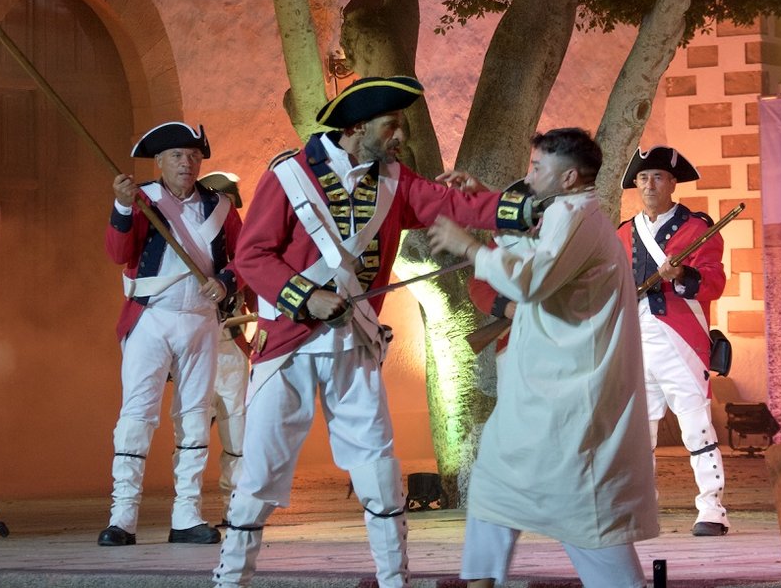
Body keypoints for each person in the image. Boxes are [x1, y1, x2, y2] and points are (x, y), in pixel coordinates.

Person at [213, 76, 524, 588]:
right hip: (287, 343)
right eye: (392, 125)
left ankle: (394, 579)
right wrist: (306, 297)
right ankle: (230, 580)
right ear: (358, 127)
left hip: (353, 341)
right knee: (260, 472)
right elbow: (251, 255)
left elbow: (454, 207)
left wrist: (527, 207)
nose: (400, 135)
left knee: (379, 468)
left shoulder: (394, 180)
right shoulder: (289, 176)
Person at [427, 127, 659, 588]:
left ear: (569, 177)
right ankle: (481, 581)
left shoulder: (577, 216)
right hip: (542, 394)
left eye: (538, 168)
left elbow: (532, 280)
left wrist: (468, 246)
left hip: (573, 397)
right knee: (493, 486)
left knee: (586, 511)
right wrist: (486, 204)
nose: (529, 175)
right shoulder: (566, 211)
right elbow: (532, 249)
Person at [100, 122, 243, 547]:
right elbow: (117, 254)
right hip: (152, 318)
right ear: (159, 162)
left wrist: (227, 282)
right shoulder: (142, 200)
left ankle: (187, 515)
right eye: (178, 156)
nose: (187, 162)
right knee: (137, 415)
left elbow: (248, 255)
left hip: (201, 319)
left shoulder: (220, 207)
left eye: (193, 155)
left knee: (195, 416)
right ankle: (122, 517)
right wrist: (123, 208)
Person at [616, 146, 729, 536]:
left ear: (672, 183)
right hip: (635, 339)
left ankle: (711, 507)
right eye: (644, 178)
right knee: (638, 431)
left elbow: (713, 283)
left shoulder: (697, 229)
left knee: (695, 425)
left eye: (658, 177)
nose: (649, 184)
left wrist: (680, 272)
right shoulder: (623, 233)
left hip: (679, 339)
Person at [198, 171, 254, 506]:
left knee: (237, 429)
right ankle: (187, 510)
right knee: (191, 431)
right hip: (198, 349)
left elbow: (258, 295)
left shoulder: (244, 247)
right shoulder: (192, 244)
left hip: (231, 345)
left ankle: (236, 504)